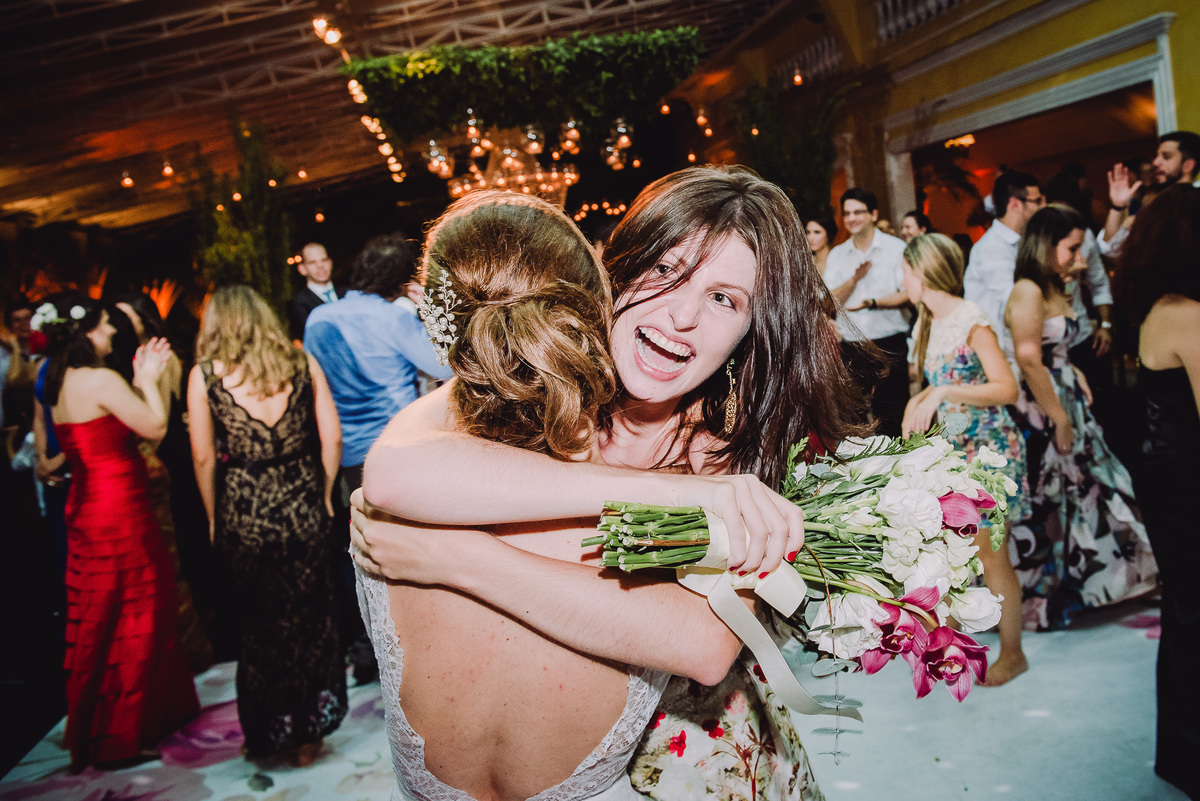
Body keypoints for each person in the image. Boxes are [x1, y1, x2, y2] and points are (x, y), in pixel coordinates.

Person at [352, 168, 866, 801]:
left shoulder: (727, 453)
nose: (681, 315)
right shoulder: (519, 387)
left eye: (724, 299)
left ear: (748, 331)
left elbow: (706, 645)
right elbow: (392, 475)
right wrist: (680, 495)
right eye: (665, 270)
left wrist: (453, 556)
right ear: (613, 270)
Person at [186, 286, 346, 765]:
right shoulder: (301, 363)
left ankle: (268, 732)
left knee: (260, 623)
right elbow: (332, 437)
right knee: (310, 616)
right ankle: (308, 735)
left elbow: (202, 457)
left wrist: (213, 516)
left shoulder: (205, 375)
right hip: (303, 504)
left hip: (246, 511)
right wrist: (324, 494)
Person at [38, 294, 198, 770]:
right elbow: (155, 427)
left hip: (86, 506)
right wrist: (147, 380)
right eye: (106, 325)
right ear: (87, 332)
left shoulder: (58, 381)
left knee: (99, 617)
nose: (110, 332)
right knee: (138, 610)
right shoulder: (100, 379)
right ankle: (120, 739)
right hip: (119, 509)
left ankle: (129, 720)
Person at [303, 233, 453, 685]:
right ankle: (420, 647)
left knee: (365, 550)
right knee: (410, 549)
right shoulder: (392, 318)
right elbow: (446, 367)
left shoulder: (317, 319)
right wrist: (429, 311)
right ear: (399, 279)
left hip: (347, 454)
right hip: (398, 448)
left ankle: (372, 649)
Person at [1003, 205, 1157, 632]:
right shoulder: (1027, 290)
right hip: (1043, 407)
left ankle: (1094, 583)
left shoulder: (1055, 286)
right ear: (1046, 245)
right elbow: (1028, 359)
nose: (1079, 258)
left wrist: (1074, 373)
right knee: (1052, 496)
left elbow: (1053, 349)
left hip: (1066, 396)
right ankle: (1049, 593)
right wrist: (1059, 417)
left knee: (1086, 489)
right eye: (1072, 248)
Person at [899, 233, 1029, 686]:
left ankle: (1013, 653)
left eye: (905, 271)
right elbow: (932, 388)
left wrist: (942, 391)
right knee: (952, 553)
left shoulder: (971, 319)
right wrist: (917, 406)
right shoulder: (927, 321)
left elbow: (1007, 388)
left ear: (923, 273)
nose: (902, 281)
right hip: (955, 453)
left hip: (990, 452)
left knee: (991, 556)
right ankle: (947, 646)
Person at [1122, 184, 1200, 800]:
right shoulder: (1186, 313)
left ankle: (1181, 754)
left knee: (1186, 611)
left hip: (1166, 478)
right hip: (1186, 482)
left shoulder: (1157, 308)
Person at [824, 187, 910, 435]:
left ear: (873, 214)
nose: (852, 218)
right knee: (854, 419)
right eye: (847, 213)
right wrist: (854, 280)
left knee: (893, 416)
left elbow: (907, 294)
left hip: (889, 343)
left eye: (858, 212)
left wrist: (872, 302)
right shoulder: (838, 254)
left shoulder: (896, 249)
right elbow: (829, 301)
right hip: (852, 345)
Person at [963, 170, 1043, 362]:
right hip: (1001, 355)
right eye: (1037, 201)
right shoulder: (992, 248)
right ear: (1015, 204)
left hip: (1017, 348)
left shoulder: (1022, 242)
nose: (1042, 206)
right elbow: (1016, 303)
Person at [1101, 132, 1200, 257]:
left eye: (1166, 157)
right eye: (1157, 156)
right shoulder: (1153, 203)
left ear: (1188, 165)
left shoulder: (1193, 202)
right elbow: (1111, 250)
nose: (1155, 162)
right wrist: (1117, 206)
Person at [286, 242, 344, 341]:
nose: (320, 266)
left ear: (330, 263)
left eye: (324, 260)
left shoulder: (348, 293)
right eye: (312, 262)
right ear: (302, 269)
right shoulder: (298, 304)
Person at [805, 210, 838, 277]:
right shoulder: (807, 262)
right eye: (808, 232)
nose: (810, 238)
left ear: (829, 235)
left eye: (817, 232)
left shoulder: (837, 261)